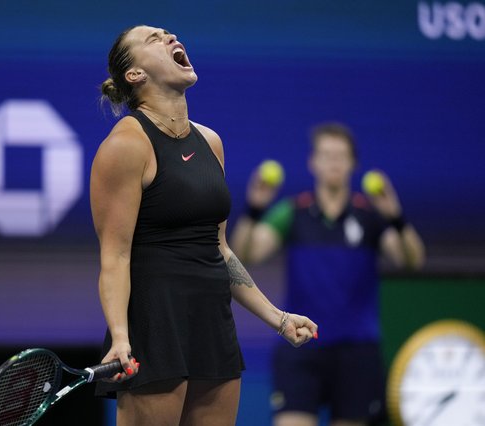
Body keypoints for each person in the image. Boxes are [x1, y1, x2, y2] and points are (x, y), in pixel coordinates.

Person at [90, 25, 318, 426]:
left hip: (212, 325)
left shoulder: (211, 142)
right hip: (154, 326)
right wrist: (121, 337)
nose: (169, 35)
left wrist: (277, 318)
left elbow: (220, 250)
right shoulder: (125, 145)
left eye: (167, 32)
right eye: (153, 38)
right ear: (135, 75)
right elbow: (115, 255)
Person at [229, 123, 426, 426]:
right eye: (326, 154)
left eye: (340, 155)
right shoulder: (291, 212)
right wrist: (255, 209)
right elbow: (247, 254)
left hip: (357, 352)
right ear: (313, 162)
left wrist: (395, 216)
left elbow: (411, 259)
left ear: (353, 163)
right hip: (300, 345)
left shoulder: (369, 217)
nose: (334, 162)